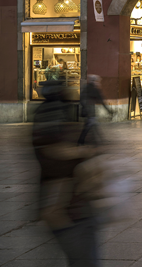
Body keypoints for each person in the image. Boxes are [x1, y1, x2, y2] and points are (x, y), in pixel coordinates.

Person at [34, 80, 101, 266]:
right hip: (67, 204)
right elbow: (53, 149)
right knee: (84, 258)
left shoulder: (51, 112)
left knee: (81, 256)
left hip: (72, 202)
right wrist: (84, 151)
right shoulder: (51, 113)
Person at [79, 75, 112, 146]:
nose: (98, 83)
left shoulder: (89, 88)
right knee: (90, 126)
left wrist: (108, 110)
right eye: (97, 81)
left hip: (89, 111)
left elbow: (101, 100)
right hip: (89, 112)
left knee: (91, 125)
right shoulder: (92, 89)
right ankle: (84, 141)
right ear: (94, 81)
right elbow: (101, 100)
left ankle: (97, 141)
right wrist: (108, 111)